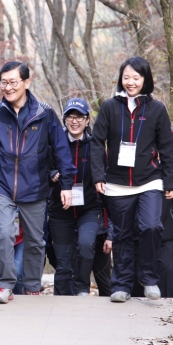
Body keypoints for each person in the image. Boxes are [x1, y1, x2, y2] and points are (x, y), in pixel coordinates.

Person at [0, 61, 77, 304]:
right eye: (3, 82)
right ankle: (5, 285)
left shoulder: (45, 113)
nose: (7, 88)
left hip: (35, 186)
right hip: (1, 185)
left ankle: (32, 287)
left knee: (35, 239)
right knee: (4, 234)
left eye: (13, 82)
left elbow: (62, 150)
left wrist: (66, 185)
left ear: (26, 82)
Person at [90, 56, 173, 303]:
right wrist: (98, 175)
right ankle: (121, 285)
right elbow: (97, 142)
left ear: (145, 80)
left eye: (136, 78)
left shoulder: (157, 109)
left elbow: (167, 148)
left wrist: (169, 181)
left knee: (151, 226)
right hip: (117, 183)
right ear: (121, 79)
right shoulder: (109, 107)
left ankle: (149, 279)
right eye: (126, 77)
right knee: (122, 235)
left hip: (149, 180)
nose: (130, 82)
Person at [48, 98, 113, 296]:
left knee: (86, 245)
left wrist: (111, 226)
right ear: (64, 119)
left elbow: (106, 179)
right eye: (70, 117)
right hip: (61, 210)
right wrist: (52, 175)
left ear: (87, 120)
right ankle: (61, 302)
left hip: (89, 208)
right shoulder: (54, 143)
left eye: (79, 117)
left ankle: (81, 289)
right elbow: (41, 169)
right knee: (63, 261)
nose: (74, 121)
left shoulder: (96, 145)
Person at [131, 170, 173, 298]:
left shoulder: (171, 174)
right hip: (137, 235)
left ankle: (168, 308)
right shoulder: (132, 172)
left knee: (167, 271)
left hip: (165, 235)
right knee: (136, 276)